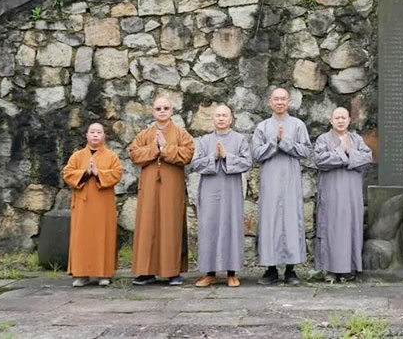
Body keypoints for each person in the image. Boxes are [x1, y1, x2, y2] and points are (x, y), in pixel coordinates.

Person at [128, 97, 194, 286]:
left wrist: (165, 148)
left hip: (171, 188)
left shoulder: (181, 134)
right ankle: (146, 271)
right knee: (147, 226)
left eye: (166, 108)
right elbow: (134, 154)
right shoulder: (145, 135)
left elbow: (187, 154)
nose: (162, 111)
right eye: (159, 108)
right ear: (153, 112)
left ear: (171, 111)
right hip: (149, 187)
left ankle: (172, 271)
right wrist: (154, 148)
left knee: (170, 226)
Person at [252, 87, 312, 285]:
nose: (279, 102)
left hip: (290, 181)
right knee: (269, 220)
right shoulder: (262, 126)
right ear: (270, 102)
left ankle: (290, 269)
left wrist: (285, 142)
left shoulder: (297, 125)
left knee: (290, 221)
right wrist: (273, 141)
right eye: (276, 99)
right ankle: (270, 268)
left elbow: (305, 150)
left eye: (283, 99)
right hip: (270, 181)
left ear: (289, 102)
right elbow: (256, 153)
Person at [191, 104, 252, 288]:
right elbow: (195, 164)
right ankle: (209, 273)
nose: (221, 118)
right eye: (218, 115)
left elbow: (246, 162)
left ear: (231, 119)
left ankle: (231, 273)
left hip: (231, 191)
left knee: (230, 226)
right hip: (210, 191)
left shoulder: (239, 139)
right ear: (213, 119)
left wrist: (226, 156)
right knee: (209, 226)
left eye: (225, 115)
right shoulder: (204, 141)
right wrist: (214, 157)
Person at [314, 107, 374, 282]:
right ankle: (330, 269)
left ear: (349, 120)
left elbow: (367, 158)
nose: (340, 121)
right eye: (337, 118)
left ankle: (349, 267)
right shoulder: (323, 139)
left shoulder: (356, 139)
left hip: (351, 193)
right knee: (331, 227)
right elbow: (320, 160)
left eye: (343, 117)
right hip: (331, 191)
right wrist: (342, 152)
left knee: (351, 227)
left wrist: (349, 153)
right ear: (331, 120)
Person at [62, 123, 123, 287]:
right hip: (83, 203)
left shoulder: (111, 156)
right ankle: (81, 274)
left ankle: (104, 273)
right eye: (92, 132)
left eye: (99, 132)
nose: (95, 135)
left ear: (104, 136)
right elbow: (67, 173)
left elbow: (117, 173)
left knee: (103, 236)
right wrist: (85, 173)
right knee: (81, 237)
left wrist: (98, 173)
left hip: (103, 204)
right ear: (86, 135)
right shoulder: (77, 156)